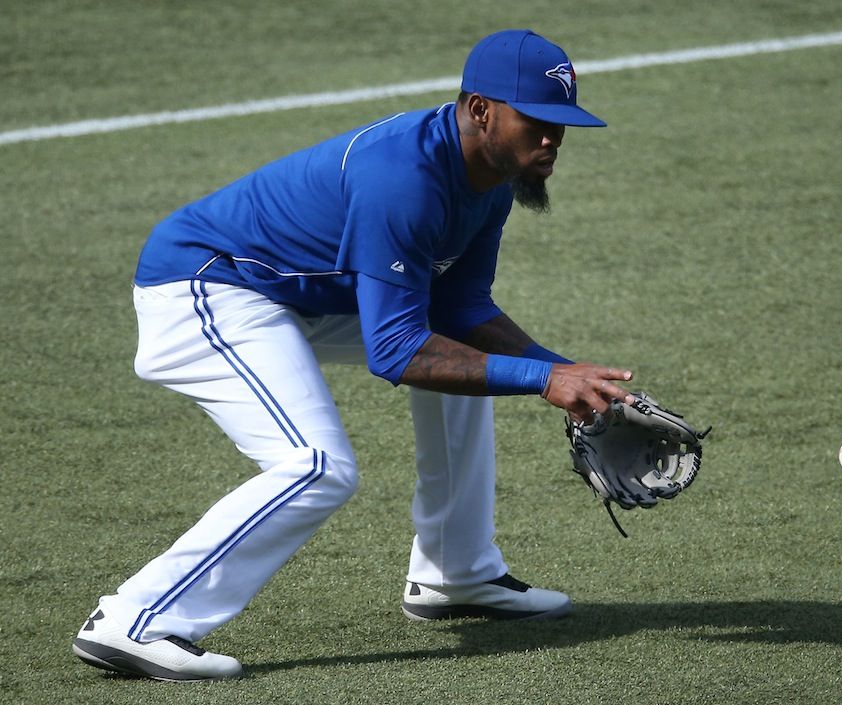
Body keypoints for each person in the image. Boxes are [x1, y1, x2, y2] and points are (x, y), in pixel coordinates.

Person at [72, 29, 635, 682]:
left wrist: (575, 376)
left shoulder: (487, 177)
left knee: (456, 361)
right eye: (536, 121)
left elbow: (461, 312)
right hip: (201, 285)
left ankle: (457, 570)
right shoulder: (404, 176)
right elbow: (395, 351)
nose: (552, 141)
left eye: (562, 125)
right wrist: (544, 378)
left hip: (288, 296)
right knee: (317, 464)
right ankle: (136, 617)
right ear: (481, 110)